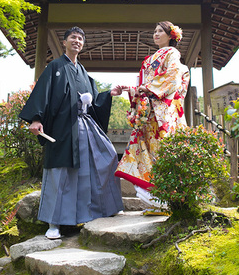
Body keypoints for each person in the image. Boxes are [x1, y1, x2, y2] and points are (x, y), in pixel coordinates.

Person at [19, 26, 125, 239]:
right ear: (65, 42)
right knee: (61, 172)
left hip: (86, 125)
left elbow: (94, 99)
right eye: (73, 38)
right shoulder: (55, 67)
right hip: (63, 128)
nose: (77, 41)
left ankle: (101, 209)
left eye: (80, 39)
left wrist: (109, 94)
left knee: (106, 157)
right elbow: (43, 94)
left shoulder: (83, 72)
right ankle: (54, 223)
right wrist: (36, 118)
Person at [115, 21, 190, 211]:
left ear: (170, 36)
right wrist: (132, 90)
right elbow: (143, 84)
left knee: (161, 149)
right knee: (145, 149)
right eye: (155, 31)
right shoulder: (150, 58)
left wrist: (147, 88)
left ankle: (165, 197)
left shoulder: (172, 54)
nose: (156, 34)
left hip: (162, 112)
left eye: (160, 31)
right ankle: (152, 198)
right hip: (149, 111)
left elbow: (173, 77)